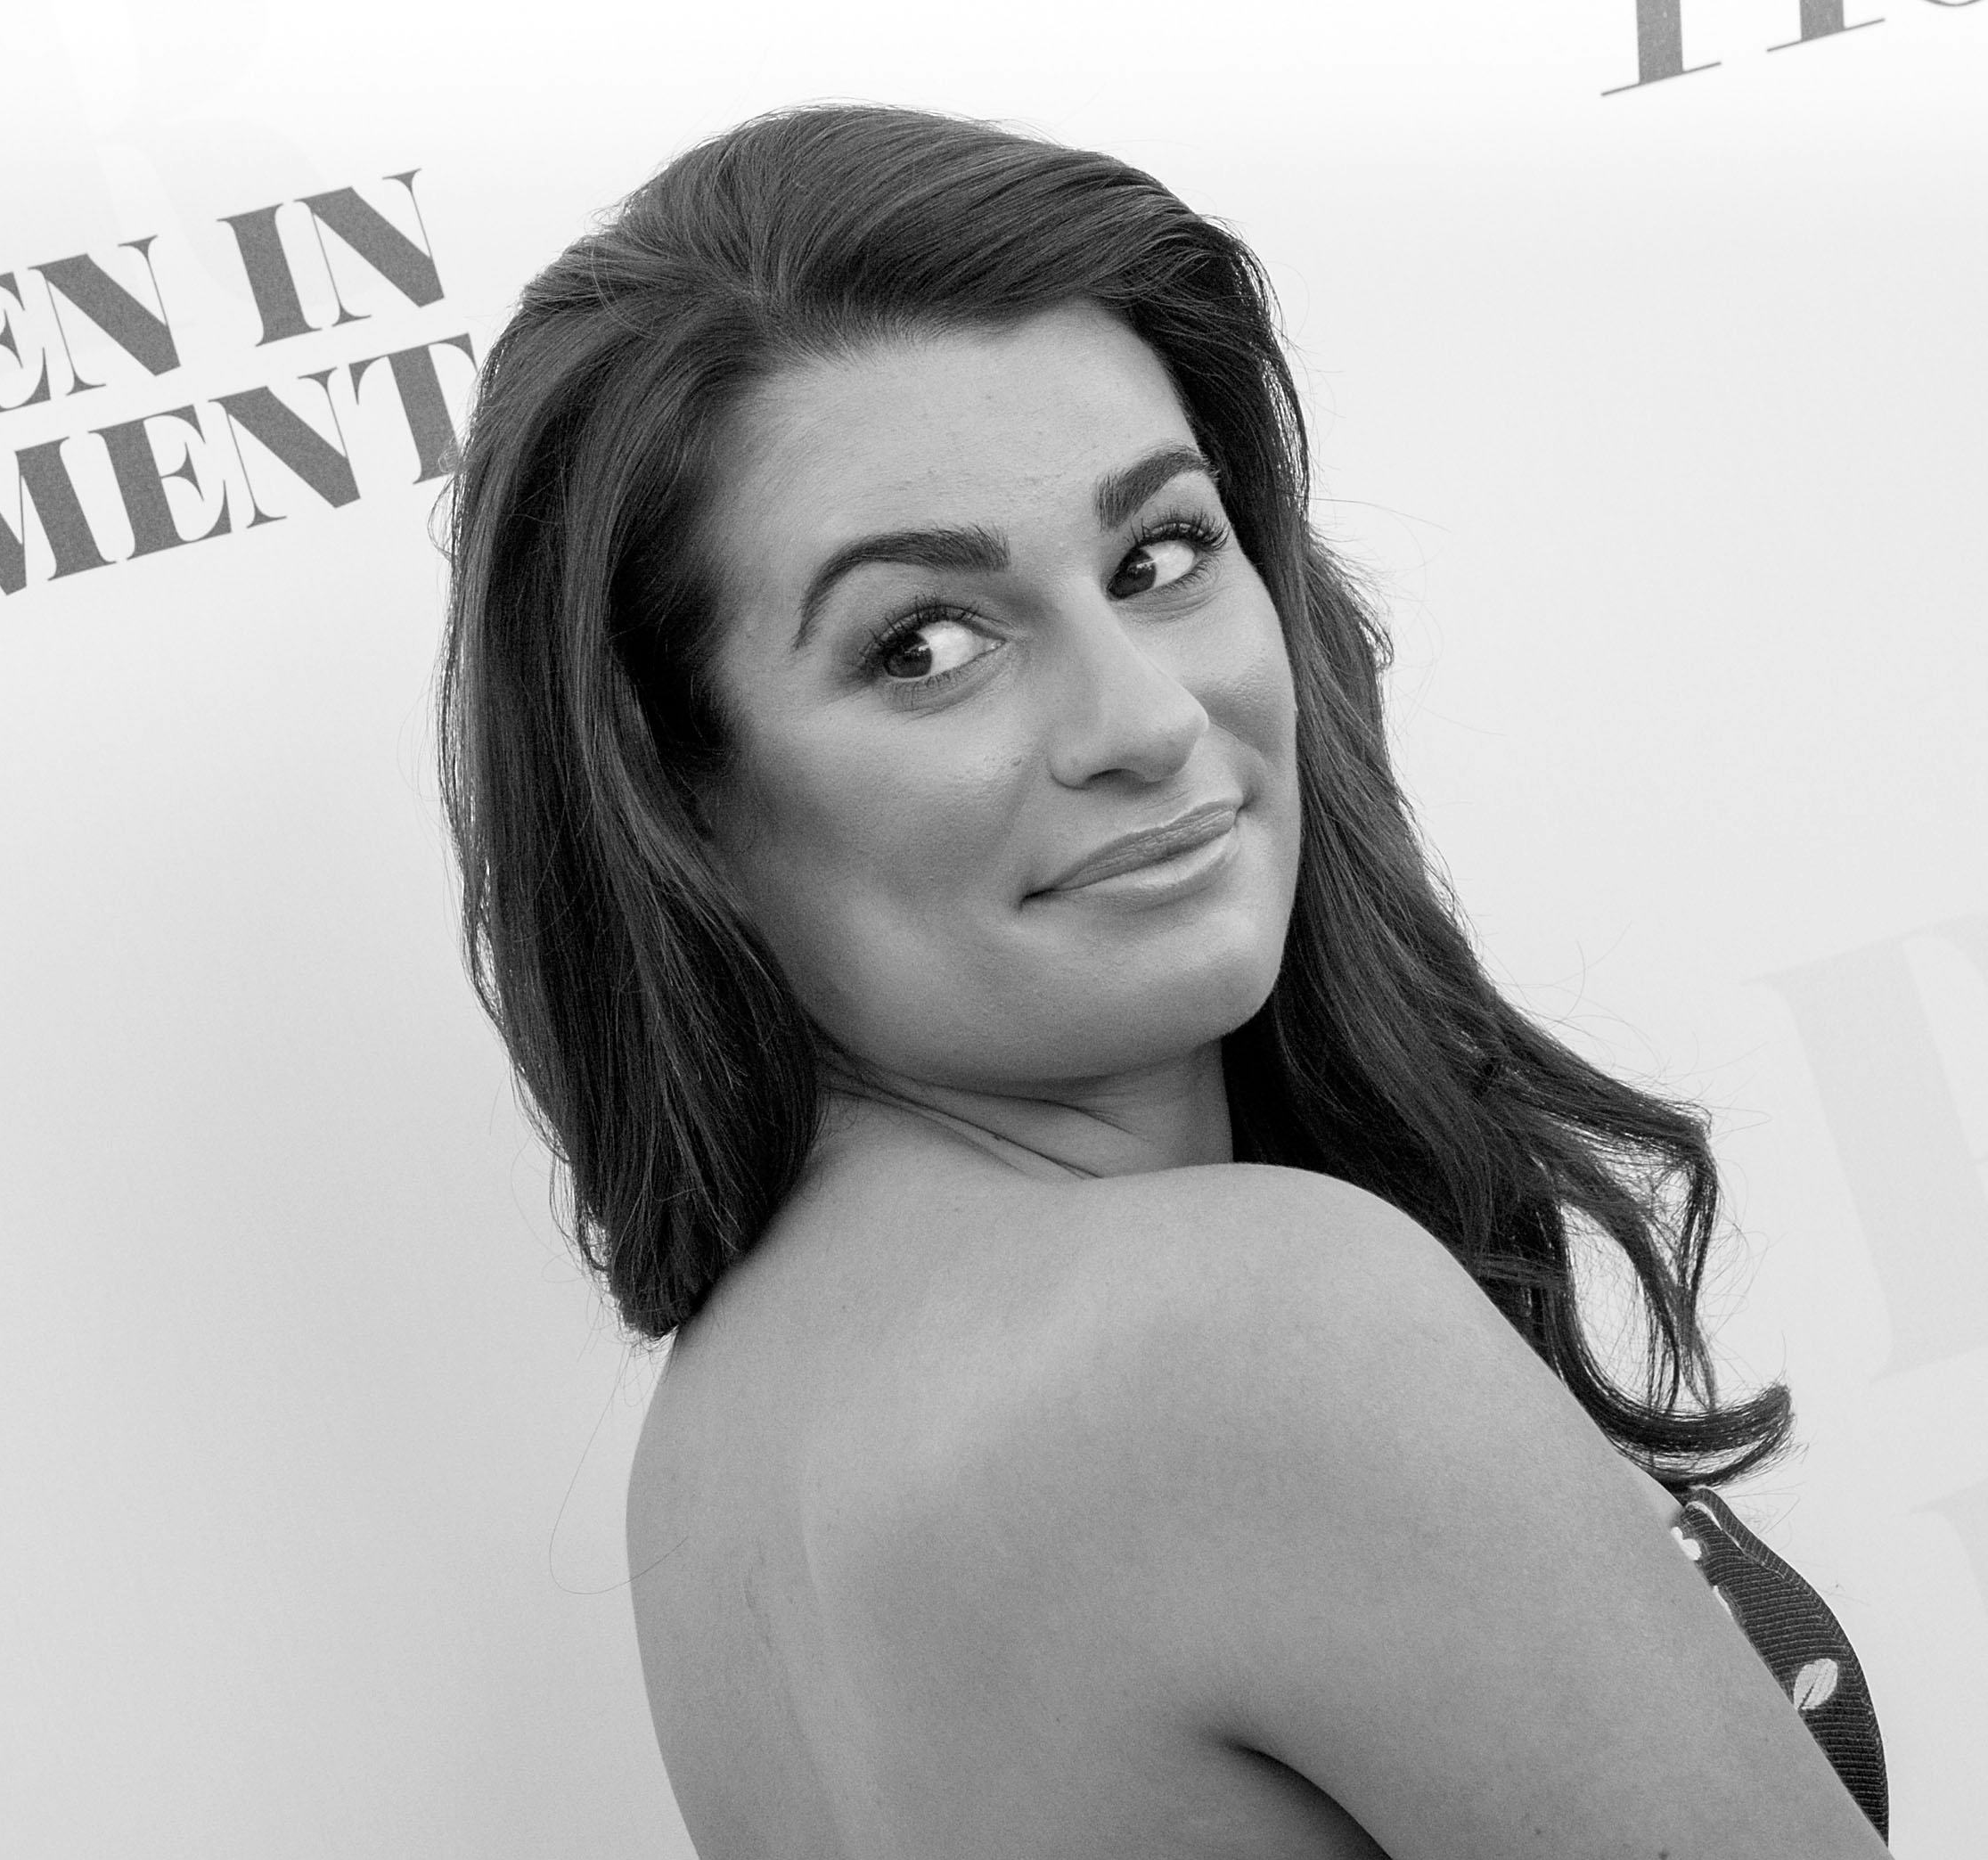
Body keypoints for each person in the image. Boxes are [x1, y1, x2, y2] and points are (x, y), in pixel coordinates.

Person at [436, 104, 1892, 1857]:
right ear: (681, 797)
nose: (1143, 716)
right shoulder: (1259, 1332)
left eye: (1162, 555)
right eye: (926, 644)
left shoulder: (715, 1457)